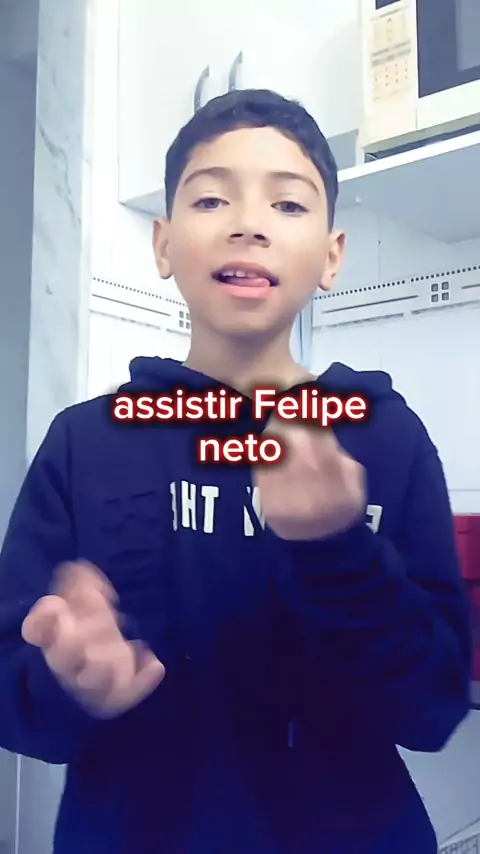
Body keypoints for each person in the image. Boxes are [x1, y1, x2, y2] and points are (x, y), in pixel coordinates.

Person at [0, 89, 472, 854]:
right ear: (162, 246)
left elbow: (432, 710)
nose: (248, 224)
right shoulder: (86, 441)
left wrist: (339, 551)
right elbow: (12, 696)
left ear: (331, 256)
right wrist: (69, 680)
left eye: (288, 204)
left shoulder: (382, 438)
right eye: (211, 198)